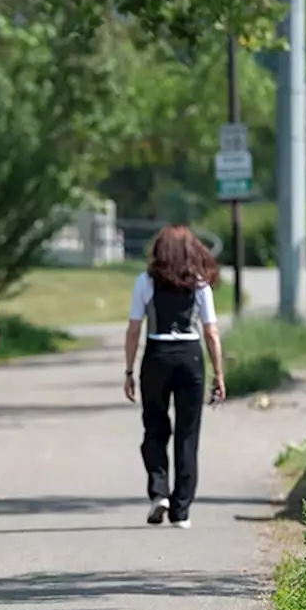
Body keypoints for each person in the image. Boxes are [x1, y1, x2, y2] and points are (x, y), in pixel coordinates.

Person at [123, 225, 225, 529]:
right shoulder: (200, 285)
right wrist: (218, 373)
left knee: (154, 427)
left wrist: (129, 370)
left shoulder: (145, 282)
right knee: (187, 434)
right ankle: (181, 510)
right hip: (190, 358)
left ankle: (159, 492)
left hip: (157, 355)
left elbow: (133, 329)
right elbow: (211, 331)